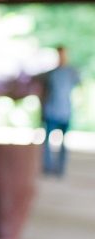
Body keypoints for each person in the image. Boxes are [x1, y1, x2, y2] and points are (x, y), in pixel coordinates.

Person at [39, 46, 80, 176]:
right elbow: (43, 91)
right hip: (51, 111)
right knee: (47, 142)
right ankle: (47, 167)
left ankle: (60, 169)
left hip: (65, 111)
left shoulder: (72, 73)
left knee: (63, 142)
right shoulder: (51, 73)